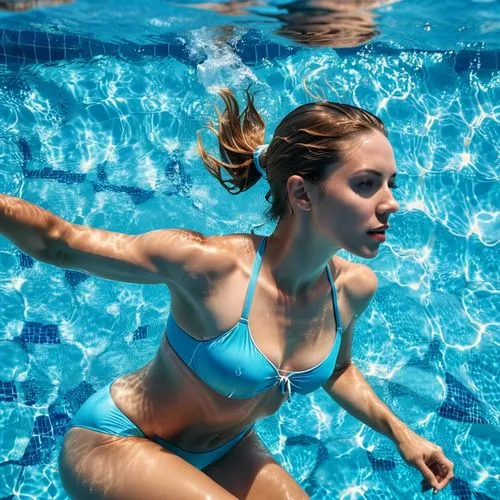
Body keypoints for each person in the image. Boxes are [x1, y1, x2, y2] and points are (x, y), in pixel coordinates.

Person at [0, 89, 454, 499]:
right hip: (121, 441)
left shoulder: (353, 288)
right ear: (302, 193)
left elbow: (338, 369)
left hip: (227, 450)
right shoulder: (211, 267)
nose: (390, 201)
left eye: (391, 183)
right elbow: (58, 241)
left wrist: (401, 434)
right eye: (366, 183)